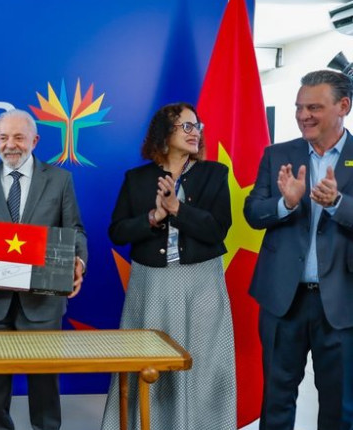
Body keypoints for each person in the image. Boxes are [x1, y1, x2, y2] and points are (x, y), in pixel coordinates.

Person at [100, 102, 236, 429]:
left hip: (202, 284)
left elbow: (218, 229)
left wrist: (178, 210)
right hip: (151, 285)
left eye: (197, 126)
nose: (195, 132)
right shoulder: (136, 179)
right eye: (185, 126)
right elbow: (117, 232)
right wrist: (154, 216)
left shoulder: (214, 174)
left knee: (202, 363)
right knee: (150, 362)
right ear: (164, 133)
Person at [0, 109, 87, 430]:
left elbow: (76, 230)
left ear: (34, 140)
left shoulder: (60, 179)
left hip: (44, 300)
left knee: (44, 378)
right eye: (3, 137)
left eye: (18, 137)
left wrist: (78, 261)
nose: (10, 145)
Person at [245, 70, 353, 430]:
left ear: (343, 106)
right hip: (282, 301)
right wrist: (286, 204)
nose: (303, 115)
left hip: (342, 304)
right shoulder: (277, 154)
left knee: (340, 408)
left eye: (314, 107)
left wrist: (337, 203)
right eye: (299, 107)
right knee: (276, 402)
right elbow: (252, 213)